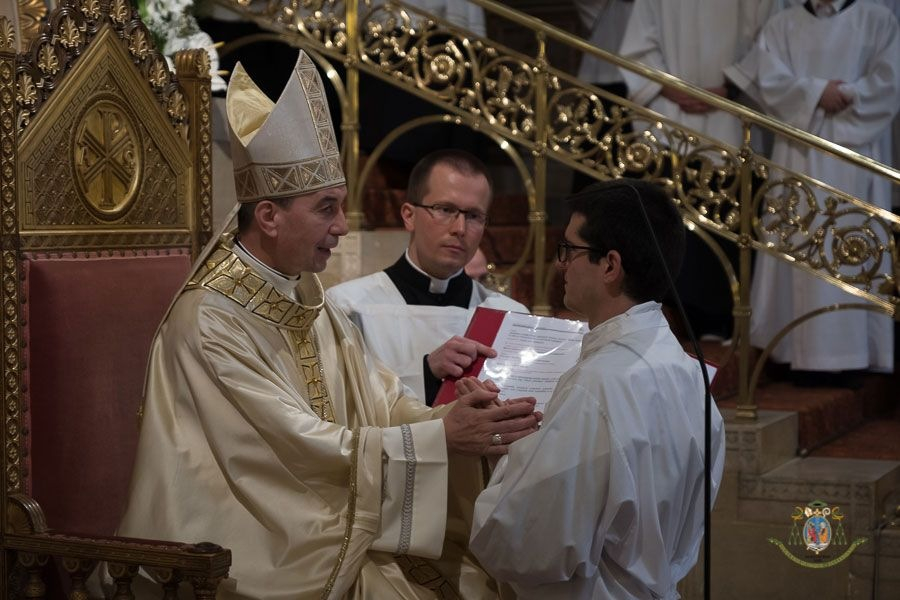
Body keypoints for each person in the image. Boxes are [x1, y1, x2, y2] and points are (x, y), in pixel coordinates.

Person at [115, 51, 540, 600]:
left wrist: (452, 416)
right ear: (269, 216)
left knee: (478, 581)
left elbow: (379, 399)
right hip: (247, 547)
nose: (342, 226)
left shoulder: (305, 293)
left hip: (320, 525)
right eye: (326, 208)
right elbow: (291, 445)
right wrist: (439, 437)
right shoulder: (209, 320)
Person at [468, 179, 726, 599]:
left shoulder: (596, 387)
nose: (561, 265)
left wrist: (505, 454)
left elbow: (523, 545)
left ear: (610, 265)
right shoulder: (690, 376)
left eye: (569, 250)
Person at [726, 0, 900, 377]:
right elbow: (768, 80)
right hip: (797, 154)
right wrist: (817, 92)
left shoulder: (877, 19)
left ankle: (854, 356)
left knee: (852, 239)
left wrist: (848, 94)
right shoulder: (781, 25)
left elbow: (890, 81)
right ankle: (789, 350)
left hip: (854, 158)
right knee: (797, 239)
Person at [618, 0, 776, 340]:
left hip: (730, 113)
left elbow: (771, 38)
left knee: (722, 226)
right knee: (668, 220)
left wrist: (730, 87)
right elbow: (638, 44)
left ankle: (718, 318)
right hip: (670, 116)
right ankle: (668, 314)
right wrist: (670, 86)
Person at [327, 150, 527, 406]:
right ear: (409, 216)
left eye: (474, 216)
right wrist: (426, 373)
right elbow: (340, 406)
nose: (460, 229)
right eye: (445, 209)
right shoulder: (349, 306)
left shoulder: (509, 317)